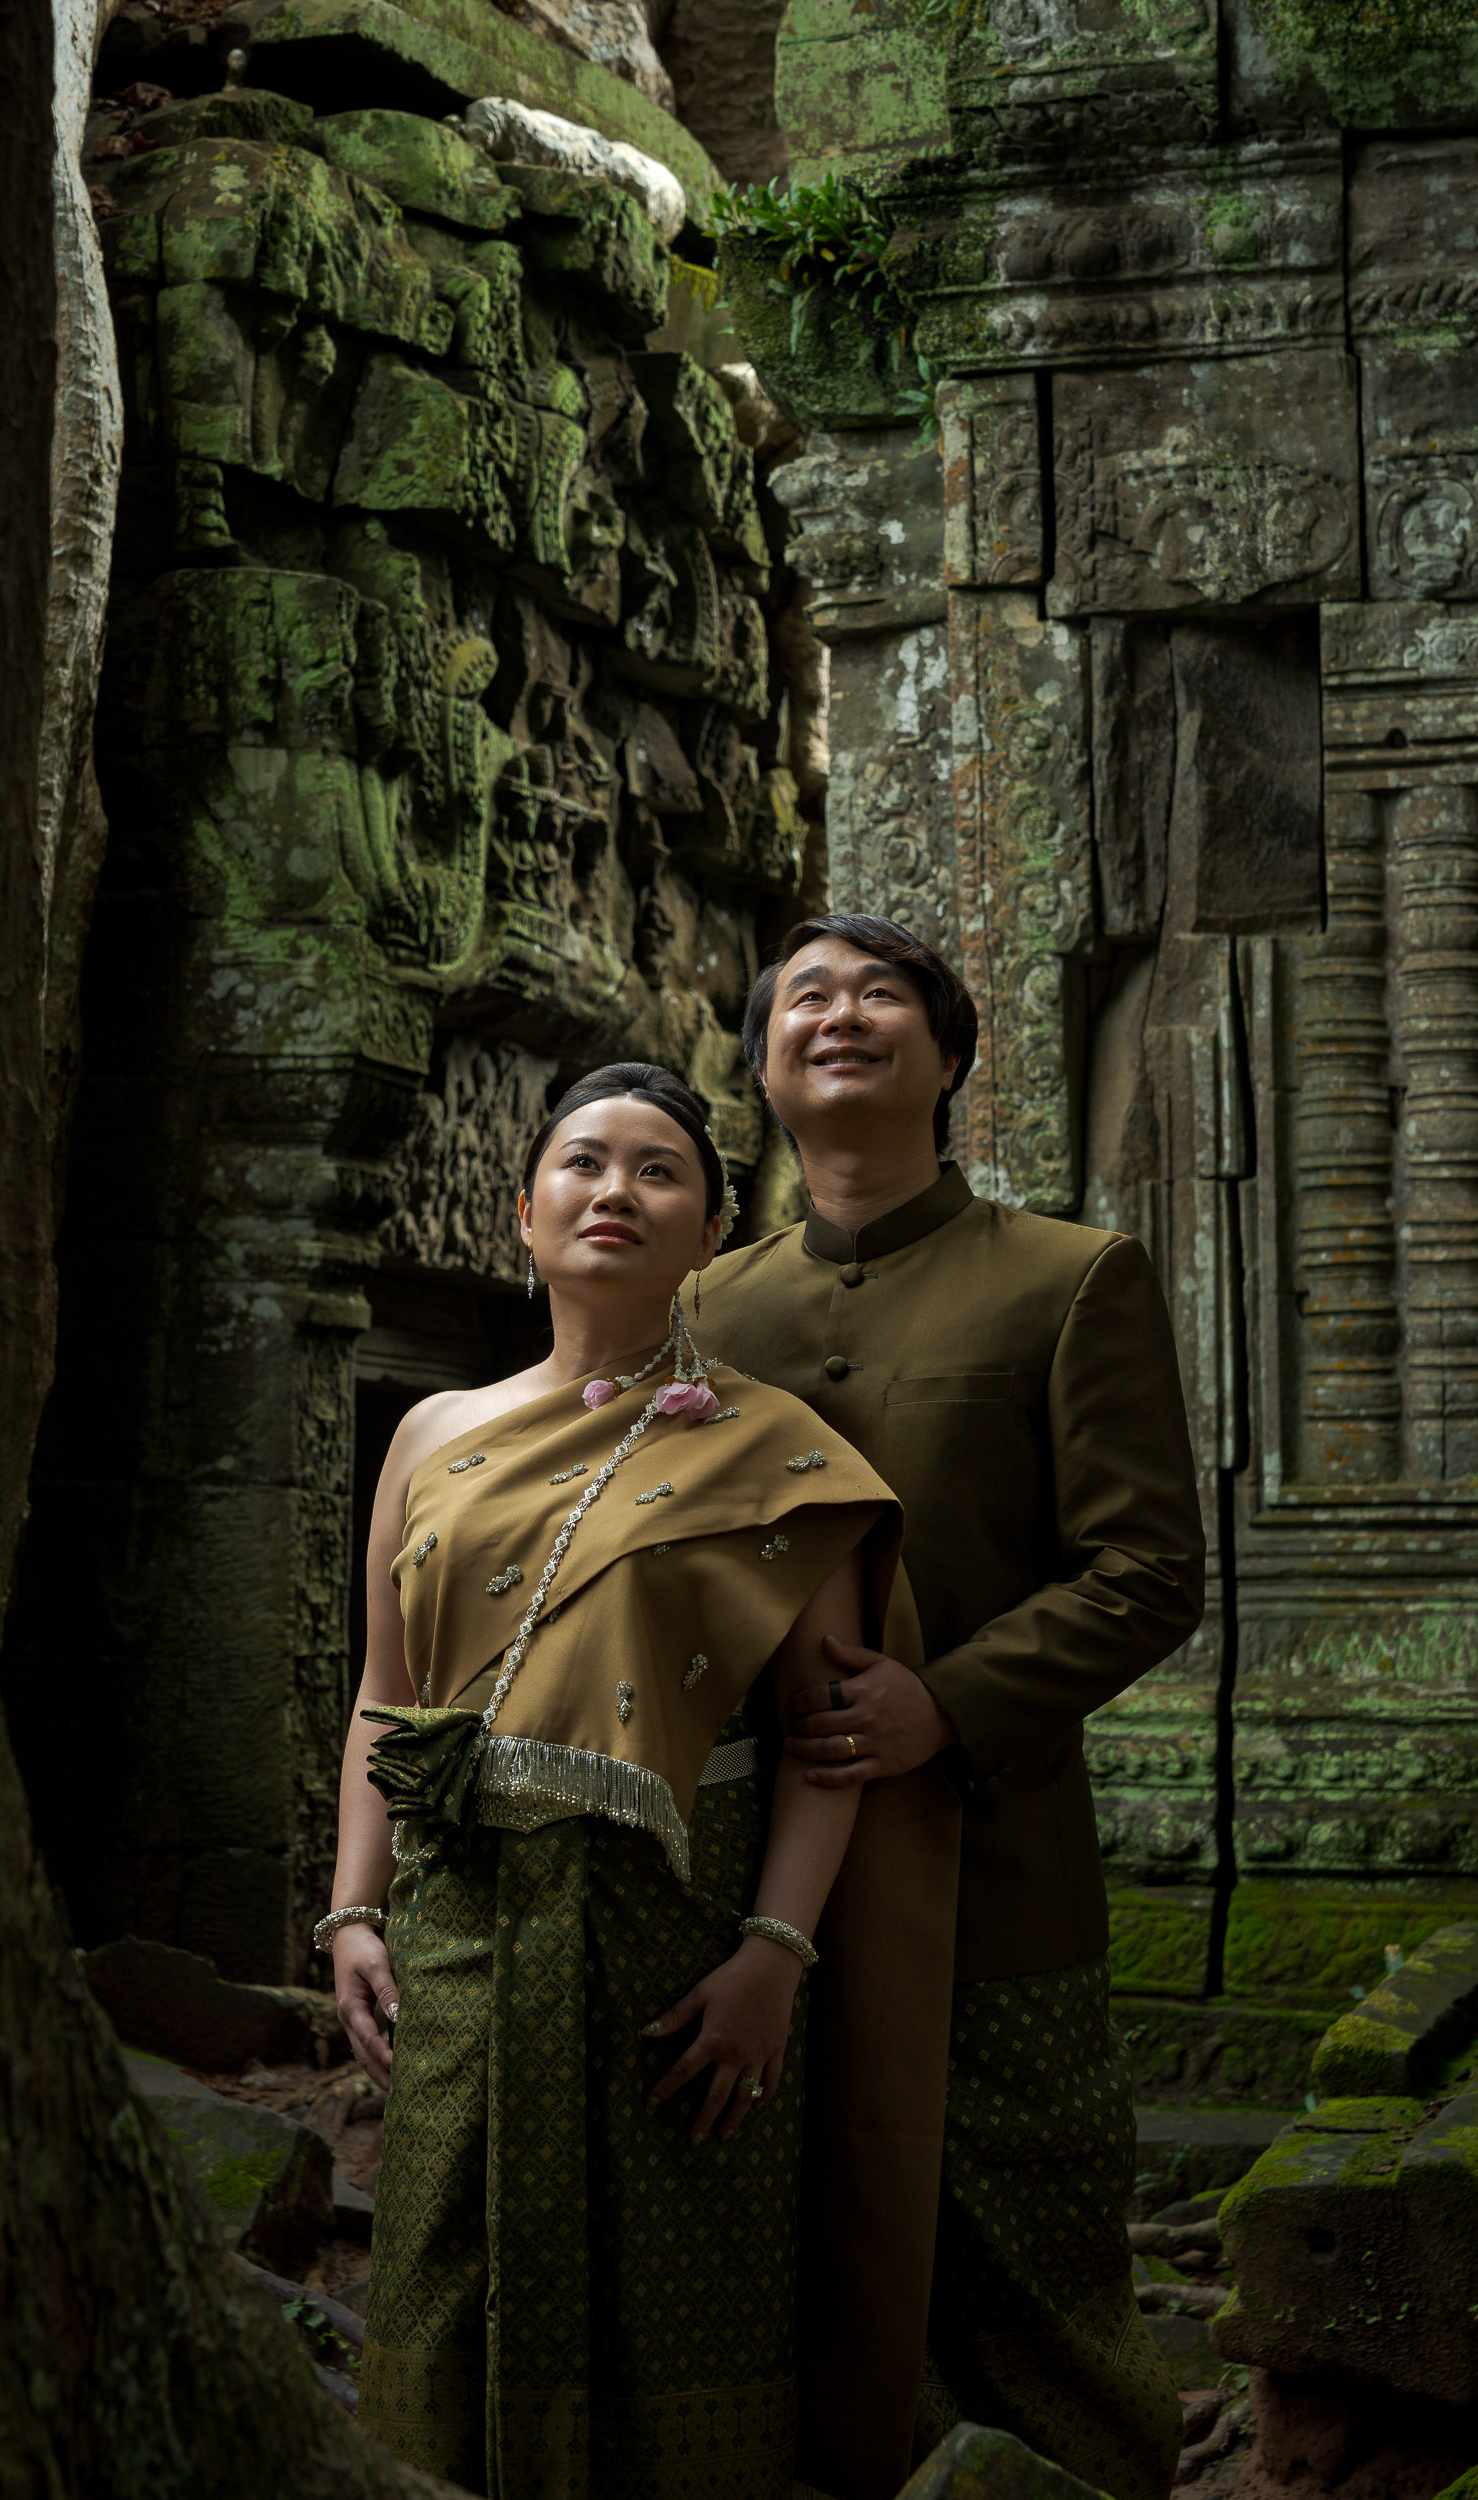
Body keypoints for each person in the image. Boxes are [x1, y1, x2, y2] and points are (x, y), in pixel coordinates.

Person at [323, 1062, 959, 2500]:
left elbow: (827, 1735)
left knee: (676, 2303)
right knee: (441, 2282)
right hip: (465, 1929)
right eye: (584, 1163)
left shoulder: (776, 1452)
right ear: (527, 1209)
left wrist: (773, 1961)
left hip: (675, 1954)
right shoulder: (433, 1433)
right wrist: (353, 1914)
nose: (616, 1191)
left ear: (713, 1230)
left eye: (659, 1169)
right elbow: (386, 1693)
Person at [697, 916, 1207, 2500]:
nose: (839, 1016)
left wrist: (949, 1704)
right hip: (747, 1882)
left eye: (882, 993)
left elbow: (1147, 1572)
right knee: (788, 2246)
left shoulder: (1070, 1278)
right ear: (769, 1068)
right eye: (805, 1000)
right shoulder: (704, 1312)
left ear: (950, 1052)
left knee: (1024, 2235)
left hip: (996, 1859)